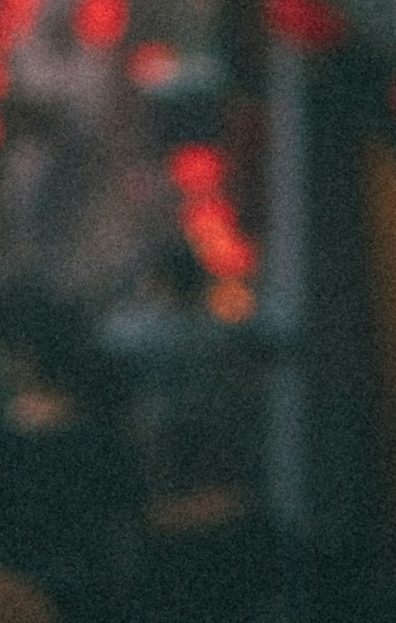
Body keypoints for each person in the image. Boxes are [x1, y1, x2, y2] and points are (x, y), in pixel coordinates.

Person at [0, 286, 137, 623]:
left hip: (12, 603)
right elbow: (129, 519)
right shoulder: (103, 437)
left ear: (22, 357)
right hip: (93, 600)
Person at [97, 245, 274, 623]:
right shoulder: (223, 335)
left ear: (158, 284)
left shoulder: (131, 336)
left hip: (156, 486)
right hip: (220, 486)